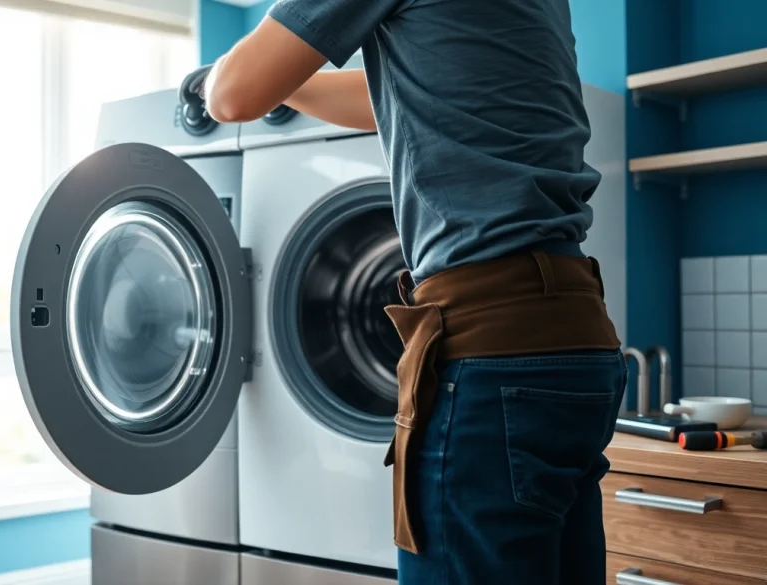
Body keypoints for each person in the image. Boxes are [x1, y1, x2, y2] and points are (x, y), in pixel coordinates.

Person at [184, 1, 626, 584]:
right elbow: (404, 99)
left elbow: (232, 96)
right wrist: (292, 88)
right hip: (576, 347)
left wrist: (213, 75)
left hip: (487, 354)